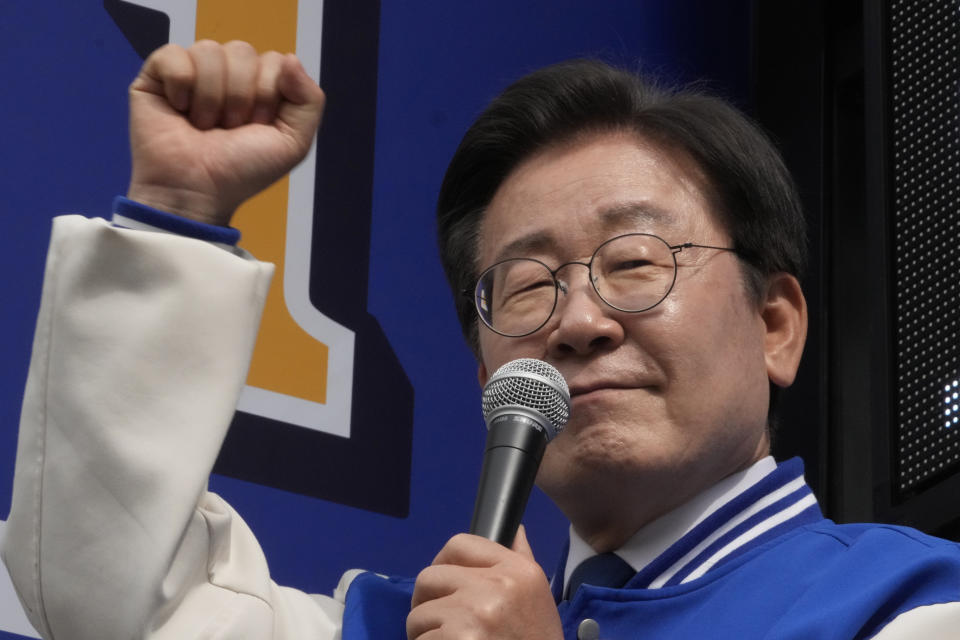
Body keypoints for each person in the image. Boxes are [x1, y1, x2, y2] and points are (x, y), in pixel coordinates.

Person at [3, 39, 959, 640]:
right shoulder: (401, 625)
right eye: (530, 284)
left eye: (635, 263)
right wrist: (175, 215)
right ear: (487, 371)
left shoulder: (908, 604)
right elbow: (107, 605)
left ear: (775, 324)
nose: (579, 323)